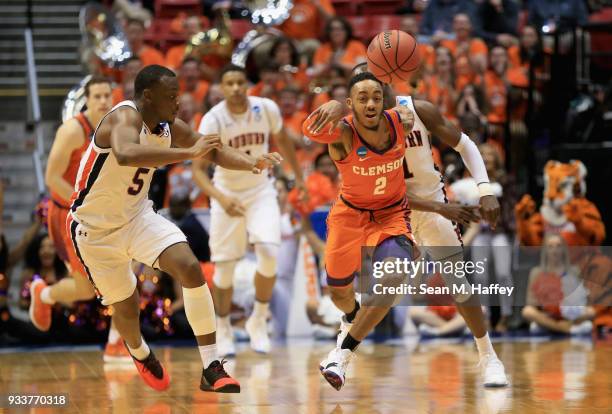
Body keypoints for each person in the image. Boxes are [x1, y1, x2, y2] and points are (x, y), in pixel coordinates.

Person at [66, 64, 281, 393]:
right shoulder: (123, 118)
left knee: (190, 267)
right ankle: (139, 352)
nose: (178, 102)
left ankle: (211, 366)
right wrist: (186, 153)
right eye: (171, 96)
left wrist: (249, 161)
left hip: (137, 217)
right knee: (125, 305)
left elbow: (211, 148)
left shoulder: (167, 126)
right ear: (148, 97)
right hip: (94, 231)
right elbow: (126, 154)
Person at [301, 72, 418, 390]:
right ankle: (352, 317)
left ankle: (341, 354)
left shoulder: (401, 122)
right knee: (339, 293)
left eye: (376, 97)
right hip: (349, 216)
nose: (370, 103)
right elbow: (308, 130)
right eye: (362, 98)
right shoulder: (342, 134)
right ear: (352, 103)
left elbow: (407, 110)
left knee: (391, 281)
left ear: (384, 100)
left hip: (391, 215)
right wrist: (335, 106)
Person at [192, 64, 306, 357]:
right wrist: (220, 198)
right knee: (225, 270)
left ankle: (258, 319)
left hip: (261, 190)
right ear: (221, 87)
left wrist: (299, 178)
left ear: (248, 84)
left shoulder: (266, 108)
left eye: (240, 82)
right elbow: (199, 172)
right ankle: (224, 326)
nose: (235, 88)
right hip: (226, 193)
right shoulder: (212, 119)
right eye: (229, 83)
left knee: (269, 252)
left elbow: (283, 141)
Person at [32, 76, 130, 361]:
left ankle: (117, 342)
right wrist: (84, 205)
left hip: (101, 214)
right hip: (67, 215)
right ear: (86, 99)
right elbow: (52, 179)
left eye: (106, 95)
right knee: (85, 290)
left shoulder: (118, 128)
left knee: (125, 270)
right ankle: (44, 295)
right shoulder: (73, 130)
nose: (102, 101)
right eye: (96, 96)